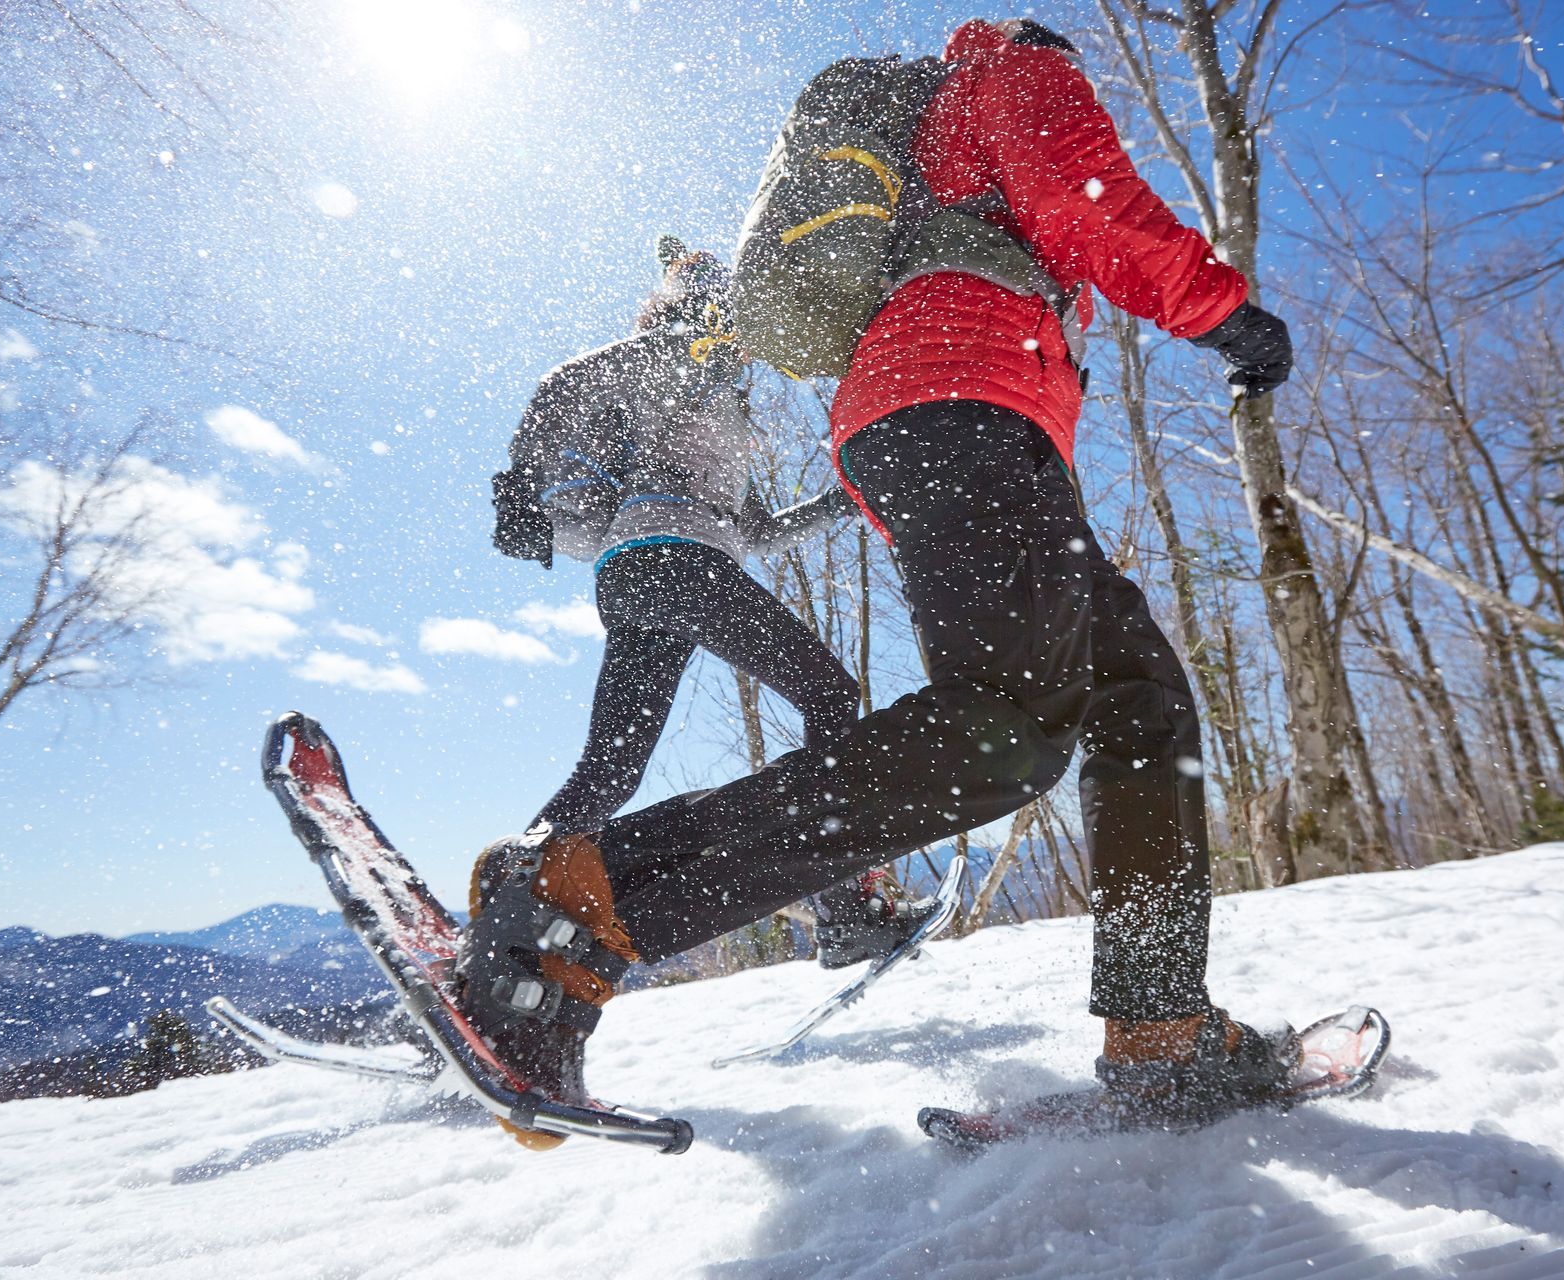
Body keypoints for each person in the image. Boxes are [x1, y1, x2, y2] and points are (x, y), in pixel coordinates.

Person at [459, 20, 1297, 1134]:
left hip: (923, 410)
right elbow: (1090, 209)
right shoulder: (1015, 68)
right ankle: (581, 901)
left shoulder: (917, 131)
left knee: (1141, 698)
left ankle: (1161, 1023)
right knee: (1003, 725)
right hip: (965, 400)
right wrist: (1228, 315)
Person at [476, 239, 943, 1077]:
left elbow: (756, 529)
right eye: (711, 311)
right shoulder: (658, 363)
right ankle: (844, 905)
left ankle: (504, 928)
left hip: (644, 575)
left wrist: (844, 499)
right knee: (831, 695)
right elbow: (567, 386)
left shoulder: (722, 402)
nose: (726, 334)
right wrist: (520, 478)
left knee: (609, 773)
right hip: (674, 565)